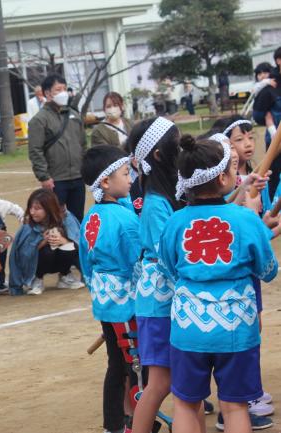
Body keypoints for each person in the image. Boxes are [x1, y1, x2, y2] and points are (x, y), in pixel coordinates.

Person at [160, 135, 280, 433]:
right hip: (236, 327)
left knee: (186, 404)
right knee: (235, 405)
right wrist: (257, 225)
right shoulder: (245, 219)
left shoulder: (175, 222)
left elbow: (167, 268)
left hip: (188, 326)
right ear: (225, 177)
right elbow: (267, 270)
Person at [79, 145, 142, 433]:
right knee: (134, 366)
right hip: (125, 303)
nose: (131, 179)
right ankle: (133, 422)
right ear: (105, 182)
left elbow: (85, 263)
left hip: (104, 302)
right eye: (126, 173)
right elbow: (136, 263)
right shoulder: (125, 220)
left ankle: (115, 423)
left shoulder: (91, 217)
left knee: (117, 364)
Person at [126, 117, 182, 433]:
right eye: (177, 141)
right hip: (160, 305)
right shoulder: (155, 204)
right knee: (160, 383)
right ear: (159, 155)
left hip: (171, 302)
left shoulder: (169, 195)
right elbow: (167, 258)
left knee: (181, 380)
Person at [28, 73, 87, 222]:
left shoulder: (74, 115)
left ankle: (76, 245)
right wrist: (44, 176)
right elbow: (35, 150)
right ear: (47, 93)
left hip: (78, 176)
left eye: (65, 89)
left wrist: (86, 168)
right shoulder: (39, 120)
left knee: (77, 218)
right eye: (58, 89)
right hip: (56, 179)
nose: (63, 93)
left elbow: (83, 144)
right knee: (55, 219)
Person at [8, 188, 82, 296]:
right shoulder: (28, 226)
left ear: (49, 209)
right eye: (31, 208)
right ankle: (37, 280)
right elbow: (21, 256)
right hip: (38, 264)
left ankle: (65, 275)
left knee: (70, 247)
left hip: (59, 261)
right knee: (47, 250)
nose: (32, 212)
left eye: (37, 208)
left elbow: (80, 243)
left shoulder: (65, 218)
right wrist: (43, 242)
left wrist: (64, 240)